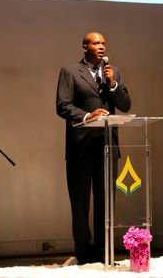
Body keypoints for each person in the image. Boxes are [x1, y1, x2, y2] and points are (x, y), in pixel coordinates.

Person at [56, 31, 131, 264]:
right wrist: (89, 115)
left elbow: (126, 105)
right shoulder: (70, 72)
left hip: (108, 145)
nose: (101, 47)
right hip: (81, 146)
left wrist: (113, 84)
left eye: (103, 43)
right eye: (96, 43)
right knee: (80, 203)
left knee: (105, 202)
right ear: (84, 47)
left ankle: (103, 252)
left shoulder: (114, 72)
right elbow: (62, 106)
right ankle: (84, 255)